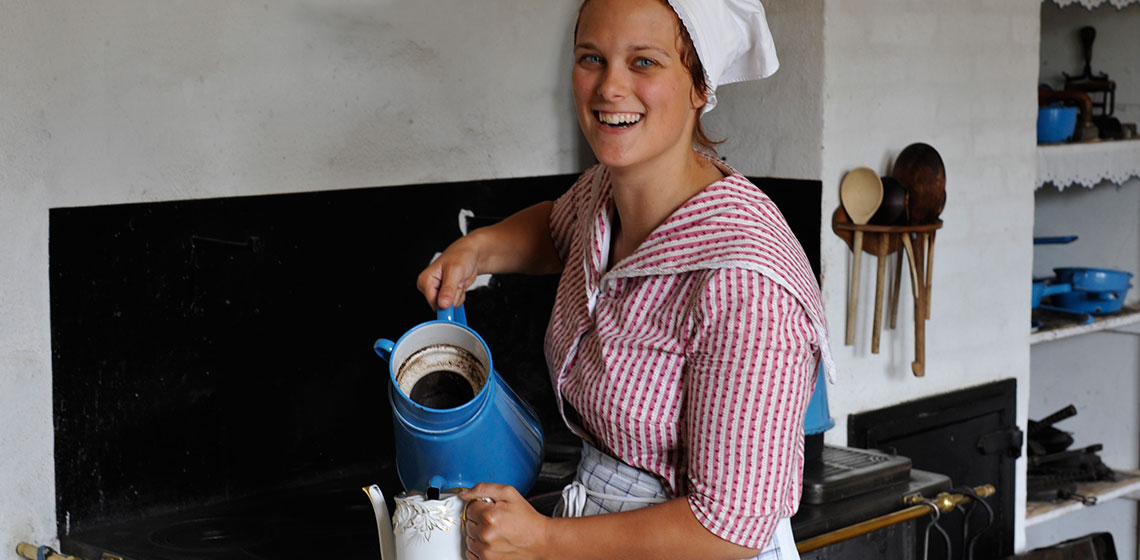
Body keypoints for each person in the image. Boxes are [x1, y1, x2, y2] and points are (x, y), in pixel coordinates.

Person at [417, 0, 835, 558]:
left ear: (699, 85)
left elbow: (728, 529)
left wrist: (542, 539)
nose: (610, 87)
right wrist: (478, 250)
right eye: (592, 58)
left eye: (644, 62)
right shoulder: (604, 193)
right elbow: (557, 229)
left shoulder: (744, 284)